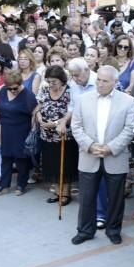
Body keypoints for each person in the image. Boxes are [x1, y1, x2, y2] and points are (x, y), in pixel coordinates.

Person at [70, 65, 134, 245]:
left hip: (115, 156)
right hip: (88, 155)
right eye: (98, 79)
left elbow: (129, 129)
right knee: (86, 197)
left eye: (105, 81)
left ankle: (113, 230)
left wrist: (110, 147)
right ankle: (84, 230)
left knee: (115, 198)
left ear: (115, 82)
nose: (100, 84)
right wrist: (90, 146)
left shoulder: (128, 101)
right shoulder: (83, 100)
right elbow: (76, 126)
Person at [36, 66, 77, 205]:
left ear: (61, 80)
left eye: (54, 81)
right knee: (52, 164)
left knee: (64, 164)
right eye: (49, 81)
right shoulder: (45, 89)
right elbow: (39, 106)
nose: (51, 84)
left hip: (64, 135)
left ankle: (65, 193)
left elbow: (72, 113)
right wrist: (40, 118)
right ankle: (57, 191)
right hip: (46, 135)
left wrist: (54, 124)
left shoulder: (69, 91)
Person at [0, 70, 37, 196]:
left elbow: (34, 112)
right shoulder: (2, 91)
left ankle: (21, 184)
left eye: (15, 88)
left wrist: (33, 130)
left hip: (22, 130)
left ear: (20, 83)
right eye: (10, 88)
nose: (12, 91)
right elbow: (0, 105)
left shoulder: (28, 95)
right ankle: (3, 184)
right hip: (6, 130)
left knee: (21, 159)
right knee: (5, 156)